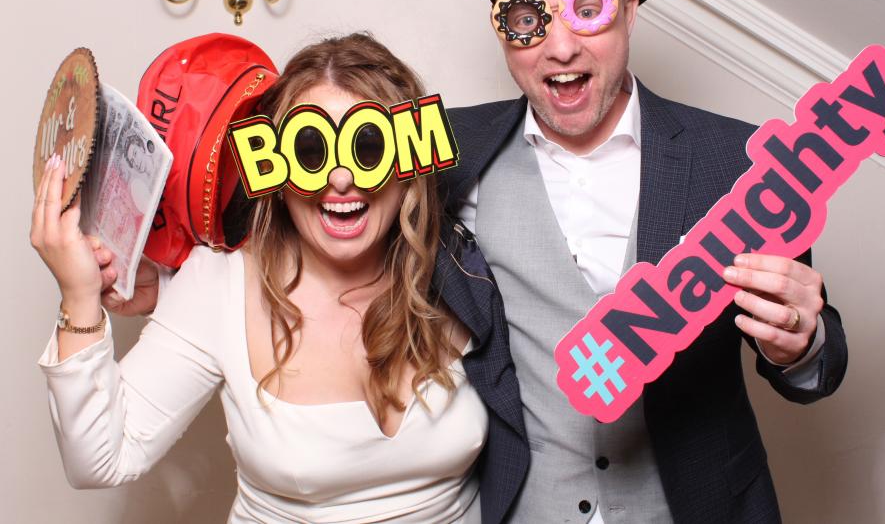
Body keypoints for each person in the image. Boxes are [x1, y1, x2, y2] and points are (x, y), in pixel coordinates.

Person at [434, 0, 848, 522]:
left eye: (587, 10)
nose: (559, 48)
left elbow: (813, 362)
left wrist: (802, 342)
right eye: (526, 18)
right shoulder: (451, 154)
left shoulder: (736, 161)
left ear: (629, 12)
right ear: (502, 30)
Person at [33, 33, 527, 523]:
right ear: (273, 167)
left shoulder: (460, 266)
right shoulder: (219, 285)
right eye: (310, 151)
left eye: (368, 147)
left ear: (410, 160)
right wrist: (79, 298)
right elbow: (101, 459)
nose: (340, 179)